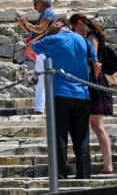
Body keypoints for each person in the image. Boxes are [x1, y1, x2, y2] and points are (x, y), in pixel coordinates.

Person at [32, 17, 100, 180]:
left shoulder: (52, 39)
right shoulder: (84, 41)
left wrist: (48, 32)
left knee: (59, 138)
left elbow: (31, 47)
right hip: (82, 94)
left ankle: (60, 176)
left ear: (58, 25)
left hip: (60, 94)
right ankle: (84, 176)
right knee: (82, 139)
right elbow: (96, 66)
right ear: (69, 26)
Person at [69, 13, 114, 174]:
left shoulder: (91, 37)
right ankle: (90, 158)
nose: (74, 32)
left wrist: (89, 84)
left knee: (97, 124)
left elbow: (94, 62)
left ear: (80, 23)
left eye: (73, 28)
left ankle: (108, 165)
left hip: (94, 84)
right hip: (92, 84)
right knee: (91, 124)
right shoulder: (90, 36)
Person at [18, 0, 56, 114]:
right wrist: (25, 26)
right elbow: (33, 34)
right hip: (43, 49)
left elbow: (40, 29)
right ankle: (40, 108)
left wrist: (28, 24)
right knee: (42, 80)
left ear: (42, 2)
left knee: (43, 80)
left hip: (45, 49)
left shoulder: (48, 12)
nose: (35, 7)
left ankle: (41, 108)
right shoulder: (44, 14)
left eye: (36, 4)